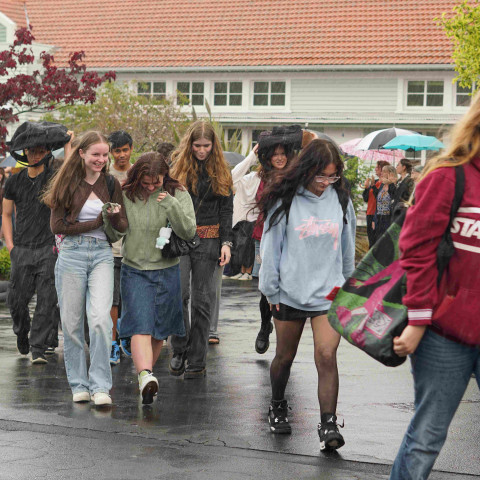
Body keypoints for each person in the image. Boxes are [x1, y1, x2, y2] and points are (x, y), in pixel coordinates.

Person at [390, 93, 480, 479]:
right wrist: (419, 318)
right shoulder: (449, 175)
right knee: (427, 437)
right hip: (444, 333)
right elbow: (416, 250)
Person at [258, 138, 356, 450]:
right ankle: (277, 405)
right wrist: (270, 288)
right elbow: (271, 248)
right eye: (321, 176)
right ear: (307, 171)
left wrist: (350, 288)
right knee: (284, 357)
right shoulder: (285, 199)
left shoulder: (341, 201)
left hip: (328, 294)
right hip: (289, 293)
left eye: (332, 176)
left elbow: (347, 250)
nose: (326, 183)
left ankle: (328, 424)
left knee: (326, 355)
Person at [104, 152, 196, 404]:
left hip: (167, 269)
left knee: (160, 331)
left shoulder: (177, 193)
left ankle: (147, 378)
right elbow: (113, 235)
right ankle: (145, 374)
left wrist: (171, 205)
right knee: (139, 325)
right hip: (134, 269)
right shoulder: (125, 193)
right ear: (137, 177)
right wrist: (109, 217)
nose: (152, 186)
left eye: (157, 181)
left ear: (165, 176)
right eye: (146, 182)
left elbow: (188, 231)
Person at [44, 131, 127, 405]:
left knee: (101, 320)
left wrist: (113, 218)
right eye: (96, 155)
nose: (102, 160)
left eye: (105, 155)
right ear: (81, 153)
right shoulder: (67, 182)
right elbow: (58, 226)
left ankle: (101, 386)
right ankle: (78, 384)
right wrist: (98, 222)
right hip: (72, 254)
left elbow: (124, 226)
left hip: (103, 254)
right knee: (71, 323)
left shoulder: (111, 182)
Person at [168, 120, 233, 379]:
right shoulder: (178, 169)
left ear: (213, 145)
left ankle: (197, 359)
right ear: (190, 145)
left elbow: (226, 211)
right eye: (197, 145)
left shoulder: (222, 171)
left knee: (202, 302)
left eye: (206, 145)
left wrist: (227, 243)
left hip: (210, 239)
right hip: (181, 238)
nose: (202, 150)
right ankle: (179, 348)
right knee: (179, 295)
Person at [3, 122, 70, 364]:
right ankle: (22, 332)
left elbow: (71, 172)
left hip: (48, 247)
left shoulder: (54, 178)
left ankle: (38, 347)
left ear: (47, 153)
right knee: (16, 300)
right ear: (25, 152)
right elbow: (7, 215)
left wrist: (69, 143)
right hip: (22, 248)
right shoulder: (14, 181)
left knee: (47, 299)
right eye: (31, 151)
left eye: (40, 151)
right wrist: (11, 246)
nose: (35, 155)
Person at [107, 130, 133, 365]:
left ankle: (127, 338)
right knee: (113, 299)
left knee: (130, 297)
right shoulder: (105, 174)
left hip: (134, 247)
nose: (122, 154)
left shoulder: (138, 173)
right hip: (112, 247)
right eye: (117, 150)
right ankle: (113, 342)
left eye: (125, 150)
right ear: (111, 151)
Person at [362, 160, 389, 248]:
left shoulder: (385, 183)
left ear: (382, 169)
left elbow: (379, 198)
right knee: (370, 239)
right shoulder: (375, 181)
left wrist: (373, 186)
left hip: (377, 214)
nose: (375, 169)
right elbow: (366, 199)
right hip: (369, 213)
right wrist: (366, 188)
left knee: (375, 241)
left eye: (377, 167)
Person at [371, 164, 397, 241]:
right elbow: (378, 201)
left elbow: (394, 196)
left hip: (388, 217)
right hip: (379, 217)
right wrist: (373, 186)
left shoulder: (394, 185)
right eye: (382, 171)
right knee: (378, 240)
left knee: (386, 241)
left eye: (384, 172)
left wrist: (391, 183)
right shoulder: (382, 185)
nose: (382, 173)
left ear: (390, 174)